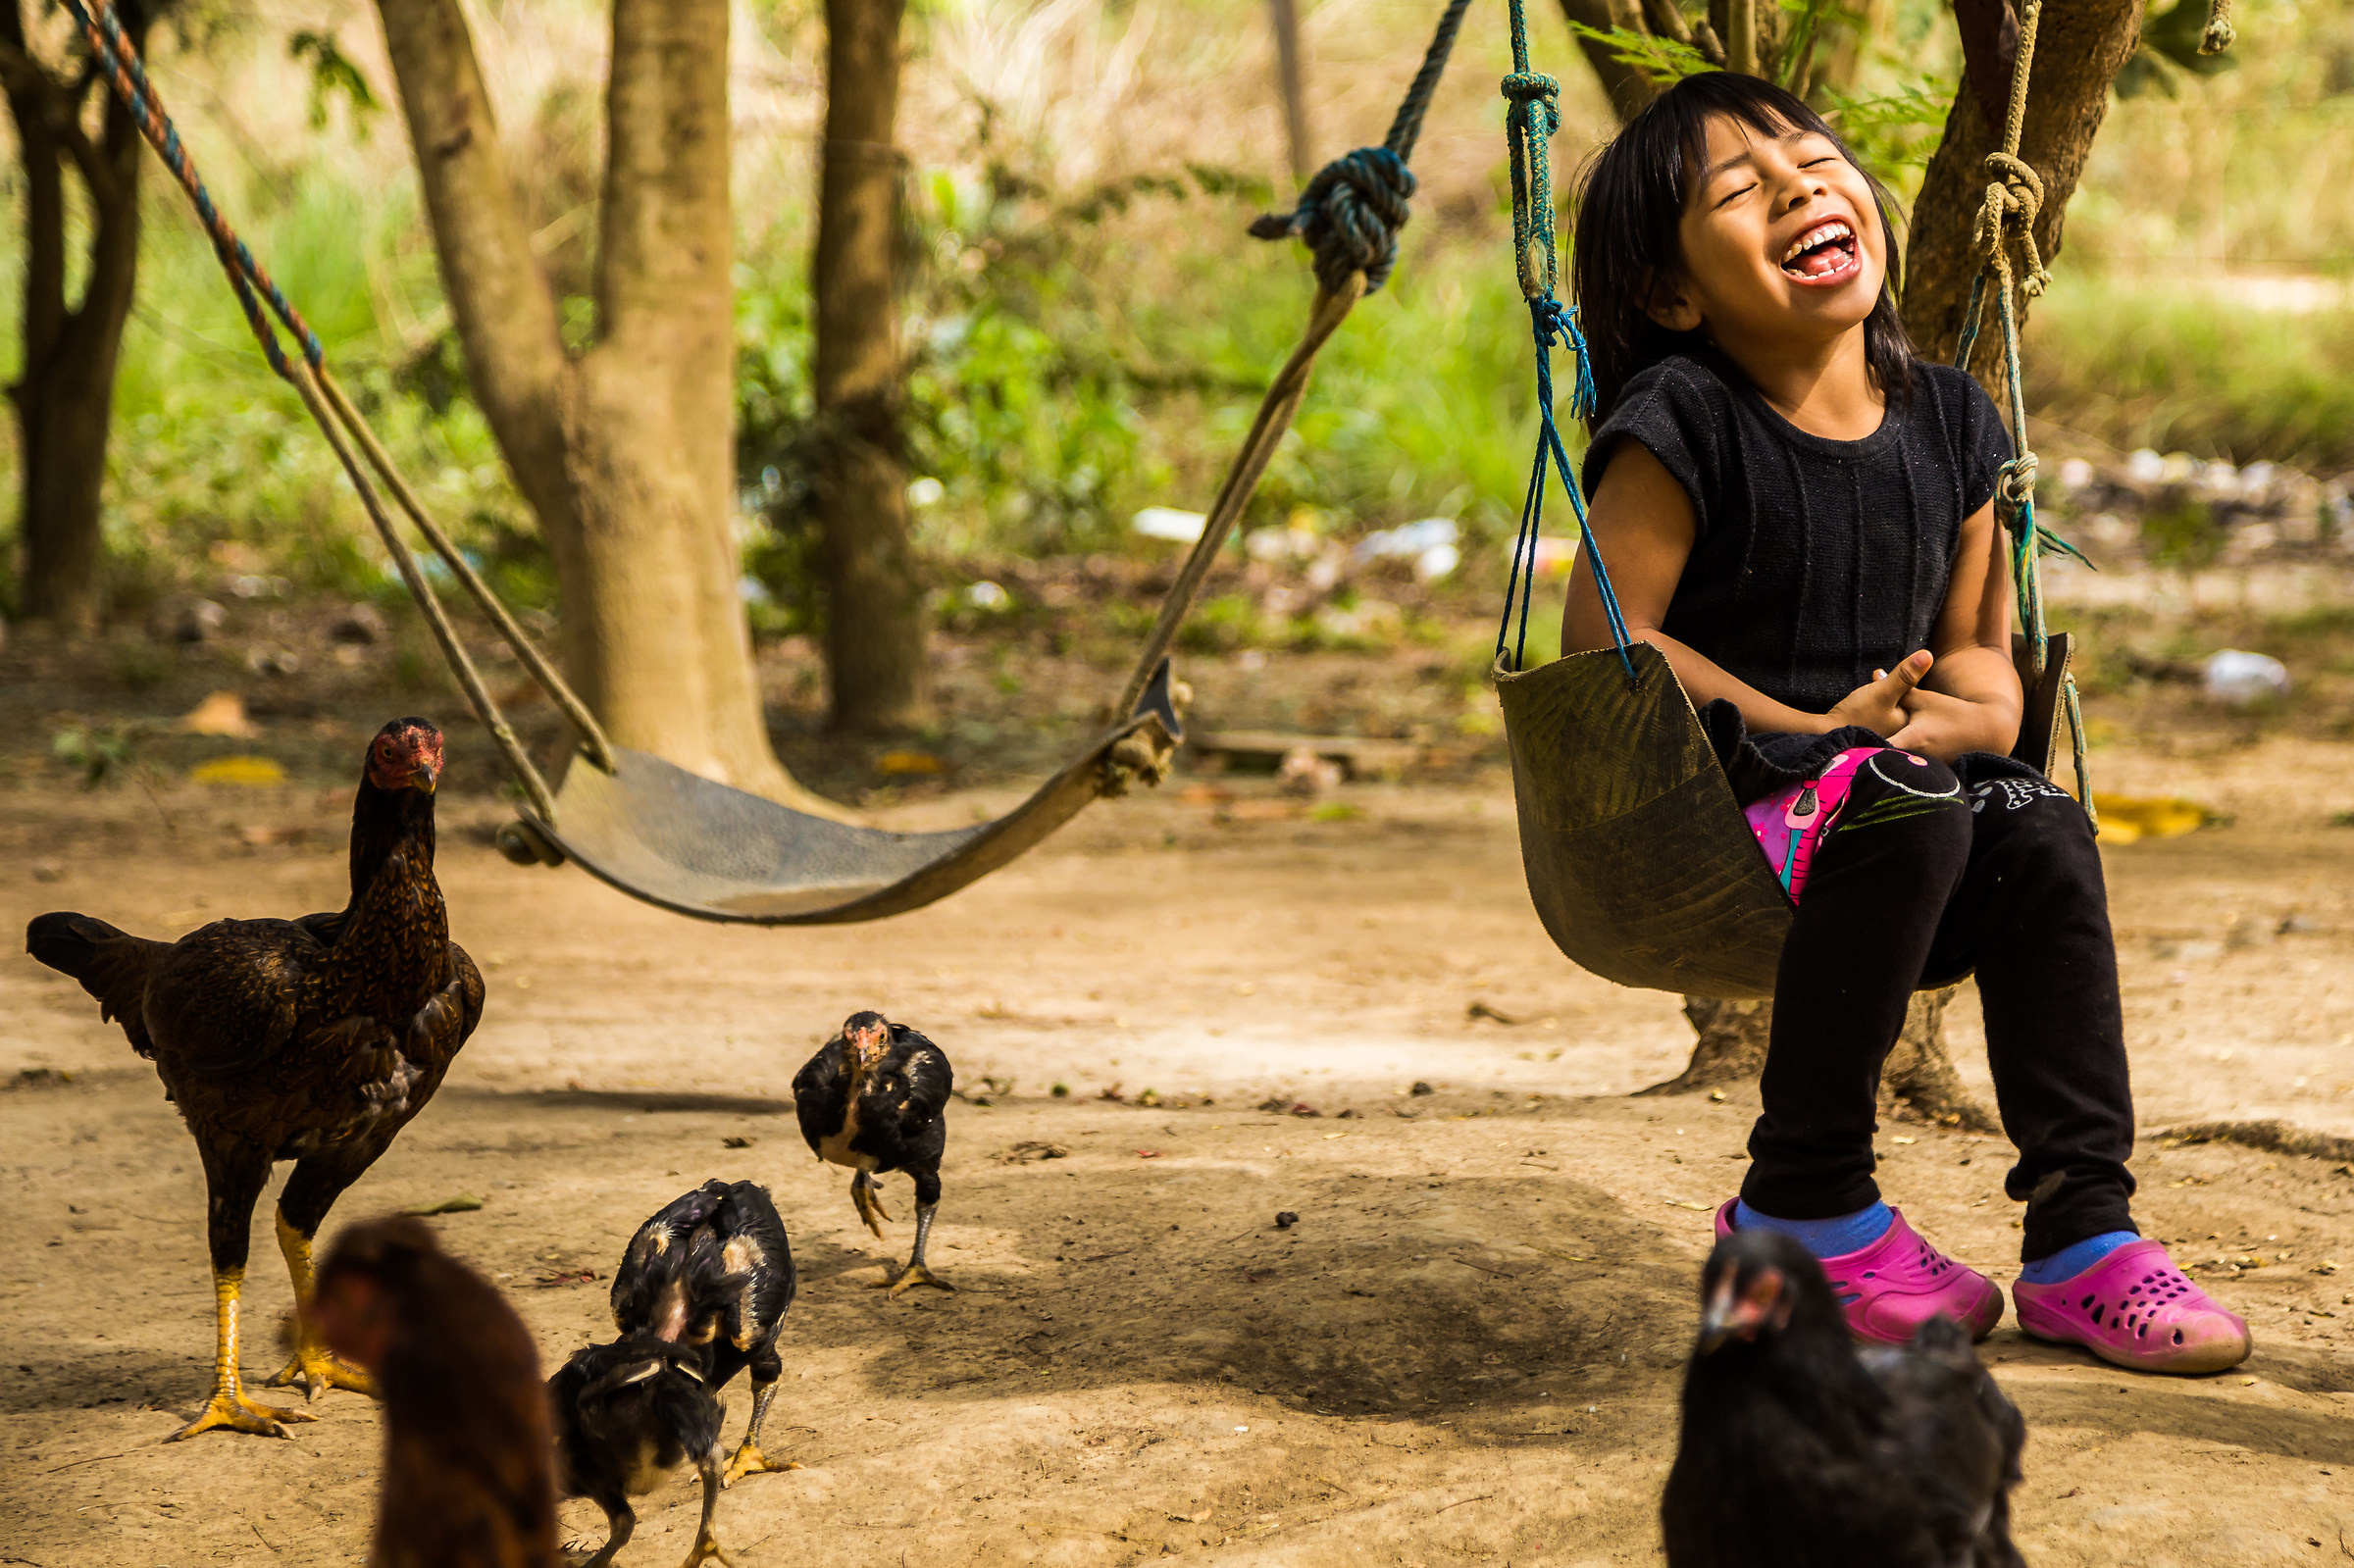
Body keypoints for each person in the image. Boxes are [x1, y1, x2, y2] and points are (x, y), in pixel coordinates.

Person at [1560, 71, 2247, 1374]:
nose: (1802, 188)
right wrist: (1816, 723)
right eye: (1741, 190)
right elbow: (1609, 645)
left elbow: (1988, 666)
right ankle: (1802, 1207)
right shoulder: (1681, 424)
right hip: (1716, 820)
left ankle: (2084, 1239)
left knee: (2037, 824)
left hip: (1888, 810)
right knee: (1901, 798)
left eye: (1813, 161)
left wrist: (1953, 723)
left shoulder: (1954, 423)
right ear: (1672, 295)